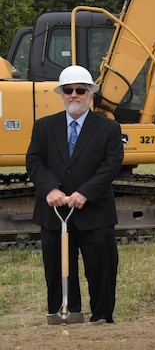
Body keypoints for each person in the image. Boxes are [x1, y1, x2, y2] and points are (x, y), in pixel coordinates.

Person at [26, 65, 124, 323]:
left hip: (95, 213)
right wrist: (51, 189)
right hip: (55, 215)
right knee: (58, 271)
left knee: (101, 270)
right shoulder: (43, 127)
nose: (74, 95)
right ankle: (64, 314)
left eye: (80, 90)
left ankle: (102, 318)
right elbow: (34, 161)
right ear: (61, 94)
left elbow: (111, 164)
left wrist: (85, 193)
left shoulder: (108, 129)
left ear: (90, 94)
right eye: (68, 90)